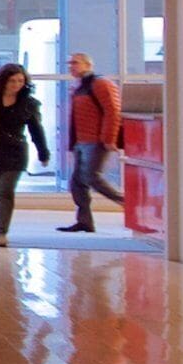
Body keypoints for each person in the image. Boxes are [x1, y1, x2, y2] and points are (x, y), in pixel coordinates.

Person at [55, 51, 125, 234]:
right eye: (70, 63)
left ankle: (125, 201)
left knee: (91, 177)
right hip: (82, 142)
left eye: (76, 63)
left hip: (96, 141)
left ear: (88, 65)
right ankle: (85, 221)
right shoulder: (79, 87)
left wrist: (109, 138)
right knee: (77, 182)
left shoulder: (100, 84)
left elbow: (113, 112)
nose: (71, 66)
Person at [0, 62, 47, 245]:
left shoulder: (28, 103)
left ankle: (2, 231)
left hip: (15, 151)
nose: (17, 84)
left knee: (5, 191)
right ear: (3, 81)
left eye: (20, 80)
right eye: (12, 81)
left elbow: (36, 130)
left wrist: (43, 153)